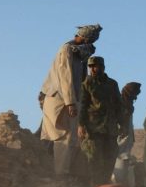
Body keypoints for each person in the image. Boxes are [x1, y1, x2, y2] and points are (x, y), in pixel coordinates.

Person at [38, 24, 102, 178]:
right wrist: (70, 102)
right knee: (63, 138)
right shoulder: (67, 50)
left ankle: (55, 173)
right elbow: (65, 78)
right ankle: (60, 174)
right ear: (86, 38)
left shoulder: (77, 52)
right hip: (60, 100)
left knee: (68, 138)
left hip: (67, 99)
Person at [78, 56, 123, 187]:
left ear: (102, 67)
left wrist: (123, 124)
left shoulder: (112, 84)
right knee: (95, 159)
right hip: (94, 128)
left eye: (95, 66)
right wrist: (81, 124)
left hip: (110, 128)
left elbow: (118, 105)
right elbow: (83, 105)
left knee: (110, 158)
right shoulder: (87, 83)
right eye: (90, 67)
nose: (92, 69)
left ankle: (104, 185)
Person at [113, 82, 141, 186]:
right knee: (119, 169)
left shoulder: (128, 105)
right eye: (134, 95)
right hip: (120, 141)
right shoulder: (120, 104)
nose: (135, 98)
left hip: (126, 141)